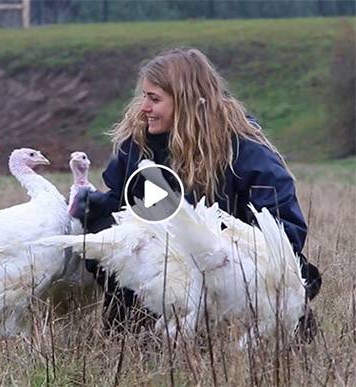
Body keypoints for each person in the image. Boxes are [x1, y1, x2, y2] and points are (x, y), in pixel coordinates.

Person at [70, 48, 321, 335]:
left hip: (230, 274)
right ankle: (135, 330)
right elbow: (121, 206)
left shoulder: (246, 152)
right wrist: (92, 208)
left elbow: (285, 231)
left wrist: (224, 254)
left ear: (186, 101)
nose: (143, 108)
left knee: (287, 279)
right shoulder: (140, 147)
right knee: (107, 235)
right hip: (163, 275)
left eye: (154, 99)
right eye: (144, 97)